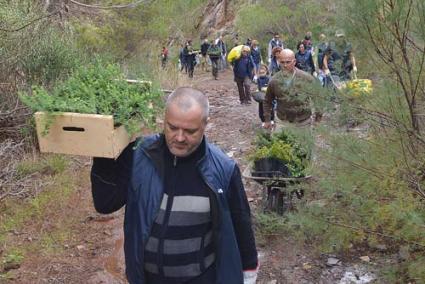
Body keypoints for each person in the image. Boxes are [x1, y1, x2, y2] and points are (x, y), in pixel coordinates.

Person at [91, 87, 259, 284]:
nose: (179, 138)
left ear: (205, 125)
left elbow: (241, 224)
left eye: (190, 131)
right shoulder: (139, 155)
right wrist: (102, 151)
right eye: (172, 128)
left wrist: (248, 273)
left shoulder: (223, 168)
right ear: (164, 120)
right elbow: (105, 204)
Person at [263, 48, 316, 130]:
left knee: (302, 143)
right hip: (282, 121)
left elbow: (317, 98)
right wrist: (267, 120)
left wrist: (318, 118)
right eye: (282, 62)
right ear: (278, 62)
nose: (285, 65)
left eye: (288, 62)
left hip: (303, 122)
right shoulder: (274, 80)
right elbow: (267, 101)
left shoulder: (306, 78)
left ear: (294, 62)